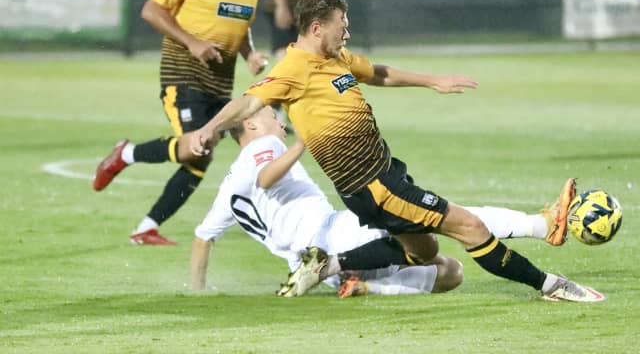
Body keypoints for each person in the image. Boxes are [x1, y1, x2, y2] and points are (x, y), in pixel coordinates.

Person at [188, 0, 605, 302]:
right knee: (469, 227)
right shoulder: (293, 67)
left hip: (382, 175)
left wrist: (432, 81)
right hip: (374, 186)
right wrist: (209, 129)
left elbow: (379, 73)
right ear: (317, 28)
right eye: (341, 24)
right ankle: (552, 284)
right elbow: (248, 102)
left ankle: (329, 264)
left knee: (423, 251)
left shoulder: (338, 58)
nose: (347, 30)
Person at [189, 106, 569, 298]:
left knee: (450, 271)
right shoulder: (264, 145)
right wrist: (307, 139)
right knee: (437, 216)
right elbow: (266, 175)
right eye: (270, 115)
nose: (279, 120)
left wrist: (198, 290)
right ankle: (541, 224)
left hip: (315, 269)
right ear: (251, 127)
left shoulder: (227, 190)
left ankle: (366, 287)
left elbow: (203, 238)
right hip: (337, 233)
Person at [92, 0, 269, 246]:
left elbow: (239, 23)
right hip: (184, 72)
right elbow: (151, 9)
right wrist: (192, 42)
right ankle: (125, 153)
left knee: (201, 157)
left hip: (221, 80)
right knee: (193, 149)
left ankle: (146, 228)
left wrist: (250, 54)